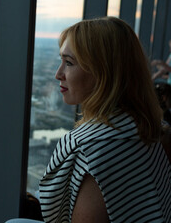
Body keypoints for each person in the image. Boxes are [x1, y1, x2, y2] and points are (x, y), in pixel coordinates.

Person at [39, 17, 171, 223]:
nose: (58, 74)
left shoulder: (92, 150)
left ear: (104, 73)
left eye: (69, 63)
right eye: (61, 61)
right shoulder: (152, 127)